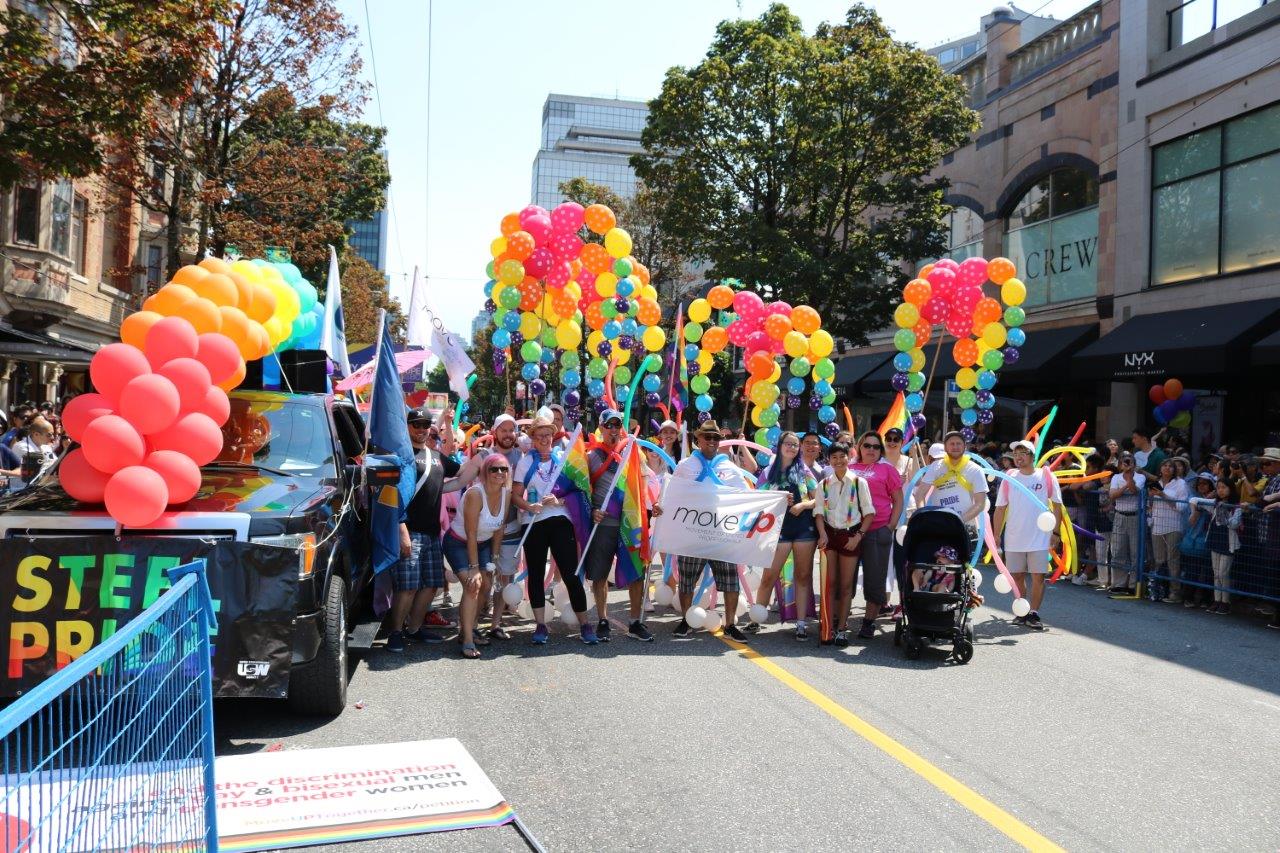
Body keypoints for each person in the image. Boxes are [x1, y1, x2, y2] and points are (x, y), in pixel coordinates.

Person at [653, 420, 751, 642]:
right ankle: (686, 620)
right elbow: (672, 493)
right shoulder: (686, 465)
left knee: (730, 581)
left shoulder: (728, 466)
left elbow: (746, 494)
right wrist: (662, 507)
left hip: (721, 532)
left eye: (716, 438)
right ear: (698, 440)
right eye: (708, 437)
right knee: (687, 580)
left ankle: (730, 624)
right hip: (692, 531)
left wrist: (777, 499)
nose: (713, 441)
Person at [512, 415, 594, 644]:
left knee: (571, 573)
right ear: (533, 439)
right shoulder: (526, 462)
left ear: (553, 435)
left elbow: (579, 489)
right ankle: (540, 625)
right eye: (539, 436)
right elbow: (515, 496)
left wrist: (560, 501)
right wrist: (529, 505)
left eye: (548, 434)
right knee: (536, 575)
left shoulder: (563, 458)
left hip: (560, 520)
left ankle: (585, 624)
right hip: (533, 523)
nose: (545, 439)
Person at [386, 408, 460, 654]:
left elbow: (460, 476)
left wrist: (486, 464)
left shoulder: (437, 457)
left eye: (425, 424)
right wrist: (401, 529)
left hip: (431, 533)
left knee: (430, 585)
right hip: (409, 530)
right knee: (407, 586)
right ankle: (395, 632)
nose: (421, 428)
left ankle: (414, 629)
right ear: (406, 426)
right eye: (416, 424)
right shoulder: (399, 455)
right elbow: (390, 494)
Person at [450, 414, 524, 639]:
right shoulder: (484, 456)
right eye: (504, 430)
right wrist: (430, 490)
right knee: (481, 581)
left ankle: (495, 624)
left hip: (509, 527)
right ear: (494, 431)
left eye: (512, 430)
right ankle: (470, 627)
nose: (508, 434)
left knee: (505, 577)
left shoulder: (522, 456)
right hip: (481, 531)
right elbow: (460, 481)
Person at [583, 409, 653, 642]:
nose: (613, 429)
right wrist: (592, 510)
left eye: (617, 425)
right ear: (601, 427)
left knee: (636, 573)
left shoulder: (633, 453)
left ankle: (634, 621)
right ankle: (602, 619)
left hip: (630, 523)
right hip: (603, 524)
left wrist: (650, 509)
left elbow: (645, 485)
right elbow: (582, 489)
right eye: (609, 425)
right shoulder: (591, 456)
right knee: (600, 574)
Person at [747, 432, 818, 638]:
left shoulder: (805, 471)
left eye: (795, 445)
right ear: (779, 446)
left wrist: (803, 504)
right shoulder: (769, 472)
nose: (792, 448)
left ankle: (801, 623)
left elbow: (819, 499)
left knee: (803, 576)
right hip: (778, 530)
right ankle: (757, 618)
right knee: (769, 575)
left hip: (804, 529)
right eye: (788, 444)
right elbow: (758, 499)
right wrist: (777, 496)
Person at [992, 440, 1063, 630]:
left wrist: (1055, 532)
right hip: (1014, 537)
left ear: (1032, 456)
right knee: (1016, 576)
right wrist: (996, 534)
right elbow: (1000, 508)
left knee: (1038, 577)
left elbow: (1057, 505)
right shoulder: (1009, 477)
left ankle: (1033, 613)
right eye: (1015, 454)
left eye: (1023, 453)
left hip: (1039, 537)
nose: (1018, 457)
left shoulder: (1046, 476)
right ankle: (1021, 609)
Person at [443, 454, 508, 658]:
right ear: (484, 472)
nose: (499, 473)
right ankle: (468, 639)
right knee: (473, 585)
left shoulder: (506, 494)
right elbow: (470, 533)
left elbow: (499, 529)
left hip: (483, 544)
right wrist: (473, 567)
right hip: (458, 543)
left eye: (503, 469)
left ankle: (467, 629)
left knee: (487, 586)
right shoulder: (475, 494)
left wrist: (495, 559)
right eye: (494, 469)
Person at [813, 442, 875, 646]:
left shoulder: (859, 482)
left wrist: (858, 537)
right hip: (830, 536)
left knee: (846, 585)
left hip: (850, 536)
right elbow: (819, 513)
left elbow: (868, 513)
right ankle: (828, 627)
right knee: (830, 584)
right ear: (828, 460)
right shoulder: (823, 484)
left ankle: (842, 629)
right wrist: (822, 534)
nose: (838, 461)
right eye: (834, 458)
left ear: (849, 457)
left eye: (842, 456)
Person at [848, 430, 903, 636]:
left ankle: (868, 622)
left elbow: (898, 499)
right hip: (849, 531)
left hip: (878, 530)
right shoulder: (849, 467)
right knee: (846, 579)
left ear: (881, 450)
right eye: (867, 445)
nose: (871, 449)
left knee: (875, 578)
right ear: (860, 446)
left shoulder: (887, 470)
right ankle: (839, 620)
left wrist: (890, 527)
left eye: (876, 446)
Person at [915, 432, 988, 549]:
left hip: (966, 528)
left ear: (965, 446)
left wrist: (959, 520)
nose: (955, 447)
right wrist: (925, 516)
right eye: (952, 444)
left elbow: (980, 503)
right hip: (938, 527)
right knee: (937, 565)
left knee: (964, 566)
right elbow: (919, 495)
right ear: (945, 447)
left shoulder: (975, 469)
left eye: (958, 444)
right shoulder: (935, 467)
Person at [1190, 478, 1241, 615]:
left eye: (1224, 487)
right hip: (1215, 538)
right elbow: (1194, 500)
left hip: (1227, 541)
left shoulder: (1236, 506)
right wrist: (1194, 511)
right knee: (1216, 572)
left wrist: (1224, 511)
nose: (1221, 490)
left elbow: (1234, 524)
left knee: (1223, 573)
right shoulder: (1215, 503)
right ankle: (1217, 600)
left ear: (1231, 489)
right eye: (1218, 488)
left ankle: (1226, 601)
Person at [1148, 457, 1189, 603]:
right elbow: (1150, 505)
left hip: (1174, 526)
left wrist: (1163, 495)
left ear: (1175, 469)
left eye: (1170, 466)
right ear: (1160, 469)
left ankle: (1175, 593)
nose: (1167, 468)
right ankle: (1159, 590)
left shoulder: (1181, 484)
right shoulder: (1156, 483)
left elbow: (1182, 507)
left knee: (1173, 560)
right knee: (1159, 560)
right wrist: (1151, 497)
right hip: (1157, 525)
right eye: (1164, 465)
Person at [1106, 451, 1146, 594]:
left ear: (1134, 464)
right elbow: (1112, 495)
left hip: (1135, 516)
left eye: (1130, 462)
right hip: (1120, 515)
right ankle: (1118, 583)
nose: (1127, 464)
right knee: (1117, 550)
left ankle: (1133, 584)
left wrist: (1129, 478)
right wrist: (1124, 487)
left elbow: (1135, 490)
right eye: (1125, 462)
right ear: (1120, 464)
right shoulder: (1116, 477)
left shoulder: (1140, 477)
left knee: (1135, 551)